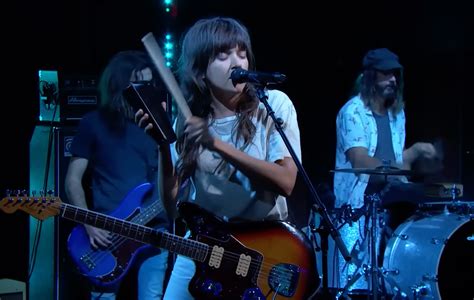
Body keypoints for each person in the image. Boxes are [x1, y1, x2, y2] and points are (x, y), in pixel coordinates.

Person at [137, 16, 301, 299]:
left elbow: (286, 182)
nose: (237, 63)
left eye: (241, 53)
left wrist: (216, 145)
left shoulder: (274, 104)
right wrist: (163, 146)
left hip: (260, 246)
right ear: (200, 72)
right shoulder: (190, 119)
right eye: (223, 56)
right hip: (206, 245)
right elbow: (172, 206)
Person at [332, 48, 439, 295]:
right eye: (385, 74)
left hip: (388, 206)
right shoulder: (352, 111)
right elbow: (359, 160)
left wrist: (414, 165)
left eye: (395, 74)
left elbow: (396, 165)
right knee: (355, 285)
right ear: (370, 77)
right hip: (356, 209)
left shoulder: (397, 114)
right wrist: (412, 153)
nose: (392, 79)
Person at [64, 50, 170, 300]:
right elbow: (72, 180)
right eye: (139, 83)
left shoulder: (160, 125)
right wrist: (88, 223)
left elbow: (173, 177)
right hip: (107, 236)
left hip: (154, 233)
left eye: (149, 84)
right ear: (120, 84)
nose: (147, 90)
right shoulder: (93, 123)